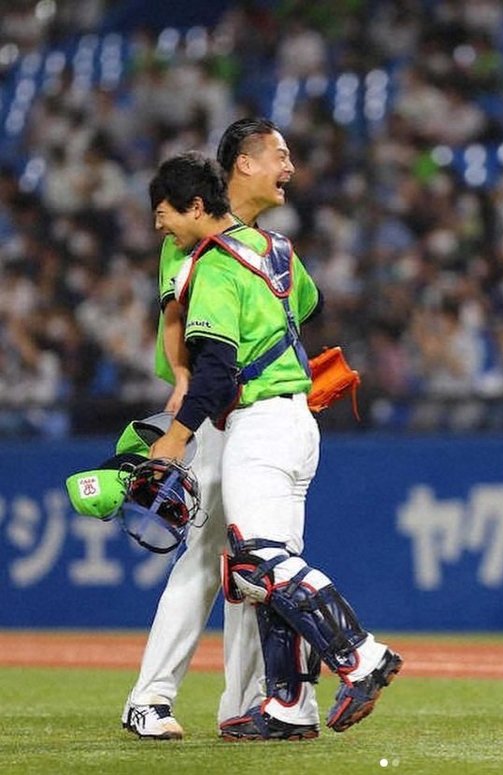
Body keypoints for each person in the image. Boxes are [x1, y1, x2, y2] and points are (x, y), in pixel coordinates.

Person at [147, 149, 402, 740]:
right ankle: (290, 705)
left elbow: (213, 372)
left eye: (165, 214)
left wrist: (176, 439)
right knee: (264, 568)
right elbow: (308, 306)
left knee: (257, 559)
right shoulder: (276, 249)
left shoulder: (211, 264)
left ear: (194, 206)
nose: (161, 227)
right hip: (299, 420)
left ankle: (360, 653)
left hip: (259, 422)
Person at [123, 118, 300, 740]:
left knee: (248, 560)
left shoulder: (261, 244)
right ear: (242, 166)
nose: (289, 167)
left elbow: (305, 309)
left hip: (250, 410)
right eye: (279, 154)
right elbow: (174, 314)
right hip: (211, 412)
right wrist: (179, 381)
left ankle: (243, 702)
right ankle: (149, 698)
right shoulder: (192, 239)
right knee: (208, 555)